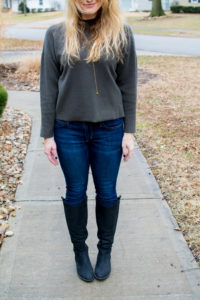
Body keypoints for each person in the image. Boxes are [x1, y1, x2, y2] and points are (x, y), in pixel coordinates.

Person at [40, 0, 137, 282]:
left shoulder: (122, 33)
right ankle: (80, 251)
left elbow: (128, 84)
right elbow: (48, 86)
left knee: (107, 193)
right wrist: (48, 134)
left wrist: (128, 131)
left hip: (109, 129)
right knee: (75, 193)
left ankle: (104, 251)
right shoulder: (56, 33)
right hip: (68, 129)